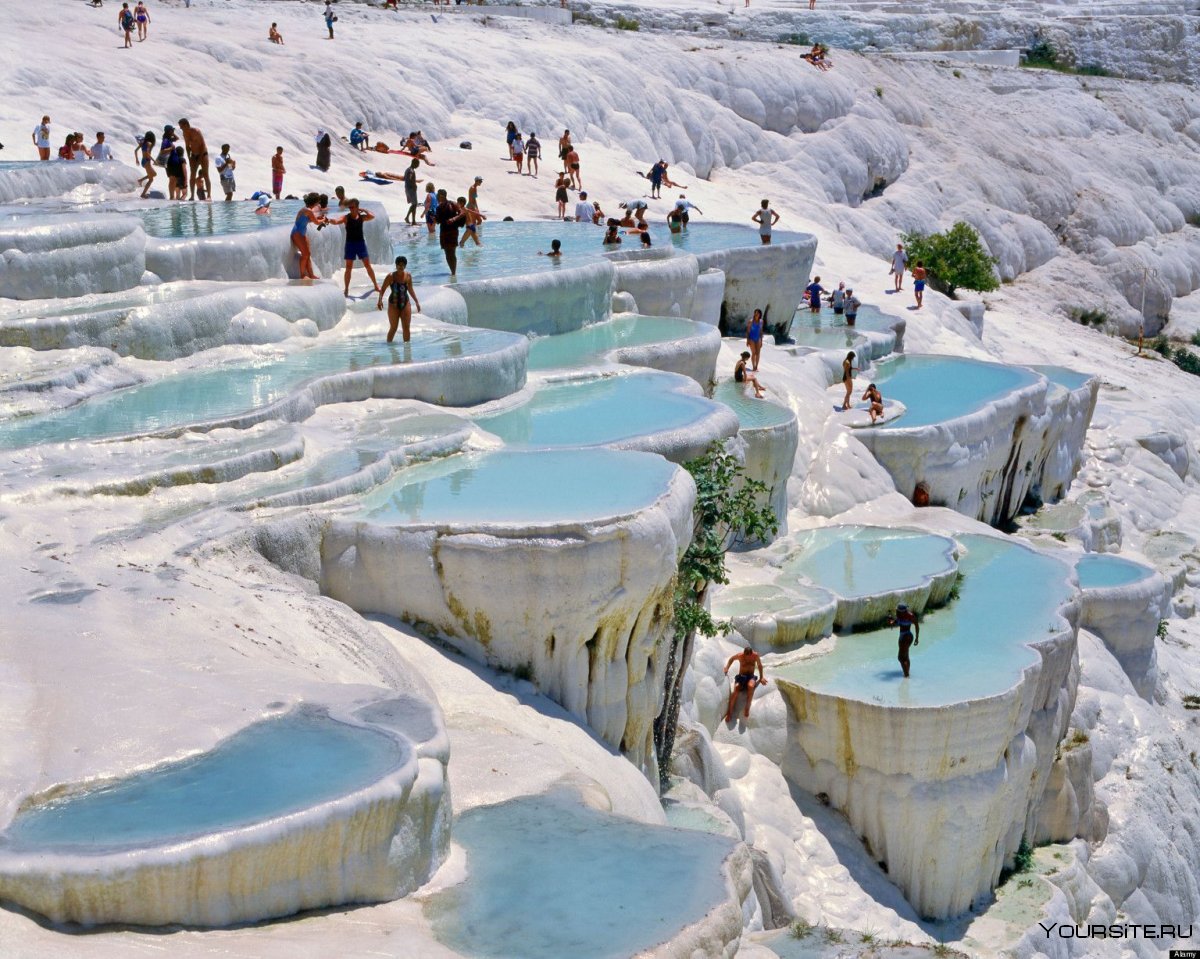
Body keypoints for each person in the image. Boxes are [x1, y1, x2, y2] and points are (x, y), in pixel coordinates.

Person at [327, 198, 378, 296]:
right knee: (348, 267)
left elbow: (372, 216)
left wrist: (363, 210)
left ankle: (375, 285)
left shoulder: (361, 217)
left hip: (360, 244)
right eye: (349, 207)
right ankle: (346, 289)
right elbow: (336, 221)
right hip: (350, 244)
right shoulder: (346, 217)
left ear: (357, 207)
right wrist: (328, 220)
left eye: (352, 207)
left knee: (367, 265)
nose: (350, 209)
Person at [378, 255, 420, 343]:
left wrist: (416, 301)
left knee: (406, 327)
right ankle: (389, 348)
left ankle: (407, 351)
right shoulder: (390, 276)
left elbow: (410, 289)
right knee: (393, 327)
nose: (401, 267)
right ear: (396, 265)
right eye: (399, 265)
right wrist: (380, 300)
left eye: (403, 265)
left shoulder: (408, 276)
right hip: (393, 304)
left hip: (405, 303)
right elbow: (383, 288)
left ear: (405, 266)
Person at [722, 646, 767, 722]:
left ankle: (747, 707)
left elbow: (759, 665)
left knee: (751, 686)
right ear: (744, 653)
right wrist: (727, 667)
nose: (747, 658)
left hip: (751, 677)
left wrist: (761, 677)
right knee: (736, 689)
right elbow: (731, 659)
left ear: (751, 653)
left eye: (749, 656)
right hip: (741, 677)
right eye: (746, 656)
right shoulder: (740, 656)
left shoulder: (755, 656)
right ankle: (729, 712)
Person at [291, 193, 325, 280]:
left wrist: (320, 219)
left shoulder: (305, 210)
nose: (318, 204)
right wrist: (324, 219)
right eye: (318, 202)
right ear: (315, 202)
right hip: (297, 233)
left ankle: (311, 274)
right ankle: (302, 275)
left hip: (301, 233)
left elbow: (309, 220)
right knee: (305, 254)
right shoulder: (308, 211)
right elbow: (316, 222)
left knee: (307, 254)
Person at [434, 190, 465, 276]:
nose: (436, 197)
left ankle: (453, 272)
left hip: (450, 231)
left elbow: (462, 213)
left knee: (451, 252)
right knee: (448, 253)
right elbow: (438, 221)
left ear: (441, 196)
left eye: (437, 195)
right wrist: (435, 219)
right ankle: (453, 273)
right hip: (446, 231)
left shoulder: (453, 204)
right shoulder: (439, 207)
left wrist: (454, 219)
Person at [178, 119, 211, 202]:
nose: (181, 128)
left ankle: (209, 195)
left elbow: (203, 145)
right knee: (192, 175)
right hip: (194, 155)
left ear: (186, 125)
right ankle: (192, 196)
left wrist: (199, 158)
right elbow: (187, 146)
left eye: (182, 127)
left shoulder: (196, 131)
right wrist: (189, 157)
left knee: (206, 174)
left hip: (203, 154)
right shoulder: (185, 133)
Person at [887, 603, 919, 678]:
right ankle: (907, 672)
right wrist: (917, 638)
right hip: (909, 636)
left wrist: (889, 620)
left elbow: (893, 623)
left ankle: (906, 676)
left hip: (904, 637)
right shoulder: (910, 616)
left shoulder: (902, 616)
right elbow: (916, 625)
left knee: (901, 658)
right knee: (906, 656)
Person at [135, 130, 156, 196]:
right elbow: (147, 153)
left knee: (154, 174)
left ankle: (140, 180)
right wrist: (154, 161)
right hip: (147, 161)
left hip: (143, 161)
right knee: (151, 179)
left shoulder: (142, 143)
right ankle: (143, 194)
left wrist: (137, 160)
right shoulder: (149, 143)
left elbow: (135, 151)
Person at [403, 159, 421, 225]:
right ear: (414, 163)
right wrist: (414, 185)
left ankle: (408, 218)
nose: (418, 166)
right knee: (415, 204)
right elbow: (410, 179)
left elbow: (404, 178)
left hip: (408, 188)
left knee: (414, 204)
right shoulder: (411, 171)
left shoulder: (407, 169)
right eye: (417, 164)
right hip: (411, 189)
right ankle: (413, 221)